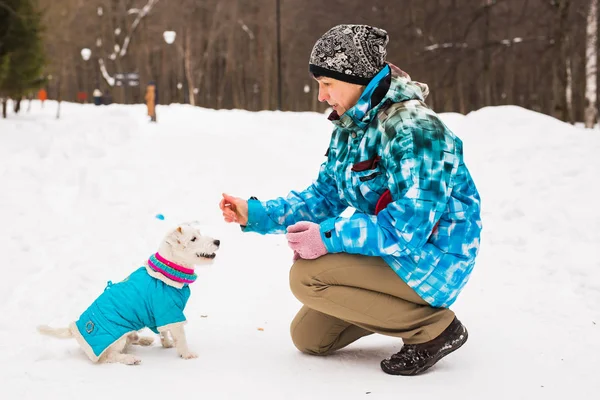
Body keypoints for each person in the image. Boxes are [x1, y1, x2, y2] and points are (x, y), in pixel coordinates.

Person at [219, 24, 481, 376]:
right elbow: (325, 195)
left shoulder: (416, 131)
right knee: (309, 338)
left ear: (357, 78)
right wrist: (257, 213)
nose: (321, 96)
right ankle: (407, 316)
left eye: (327, 84)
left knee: (307, 277)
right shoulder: (352, 127)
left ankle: (435, 329)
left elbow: (409, 228)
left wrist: (327, 237)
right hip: (397, 255)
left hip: (433, 260)